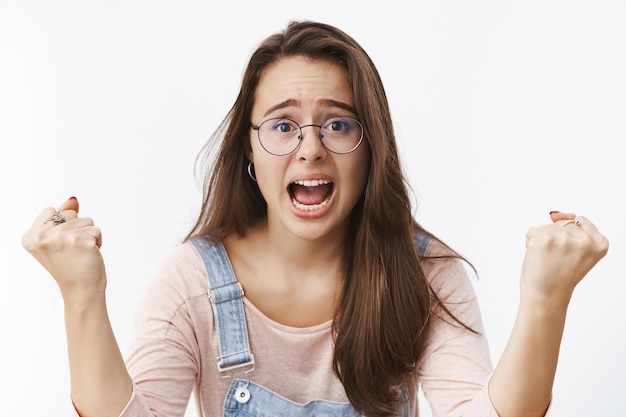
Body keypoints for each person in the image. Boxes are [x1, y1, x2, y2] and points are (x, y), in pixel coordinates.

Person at [22, 20, 608, 417]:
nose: (310, 149)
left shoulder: (423, 273)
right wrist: (81, 294)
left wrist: (545, 300)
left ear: (371, 145)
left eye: (338, 123)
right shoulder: (189, 283)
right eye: (281, 125)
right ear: (248, 152)